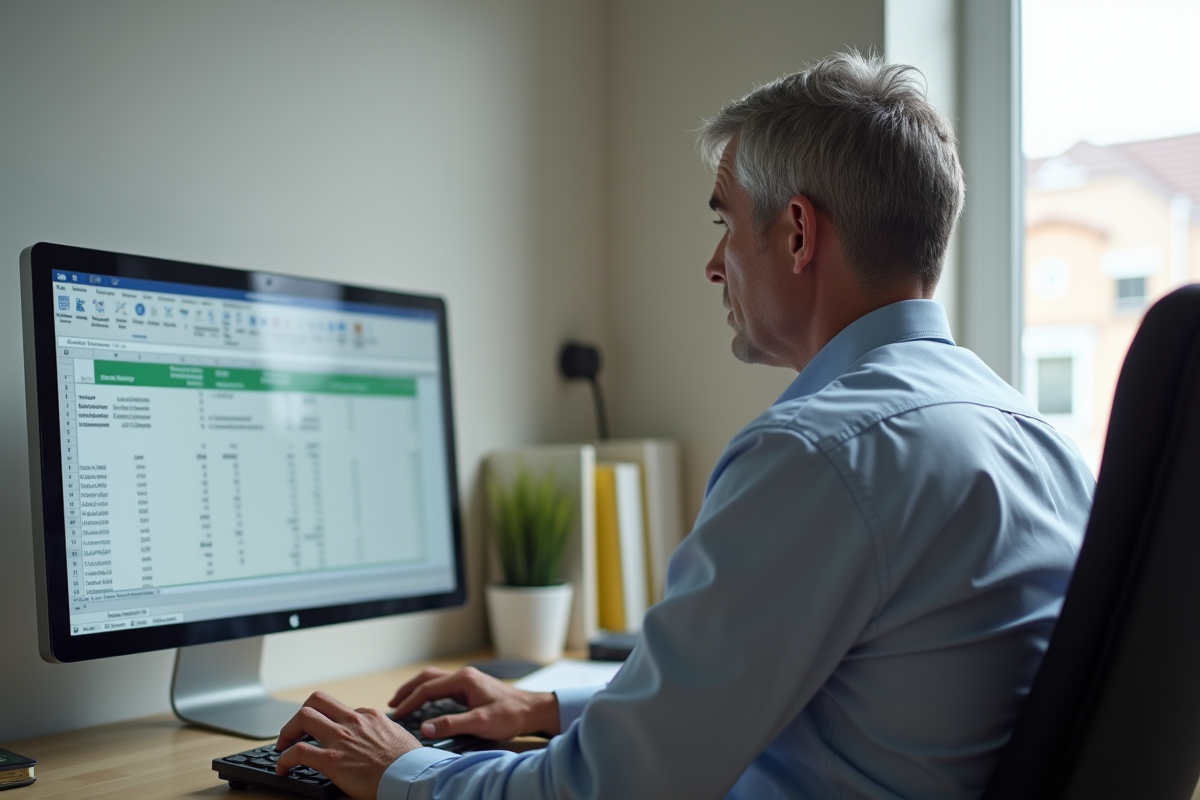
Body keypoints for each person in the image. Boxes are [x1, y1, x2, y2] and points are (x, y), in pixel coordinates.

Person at [272, 51, 1095, 800]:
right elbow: (824, 691)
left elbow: (610, 791)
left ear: (798, 233)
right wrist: (549, 704)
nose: (713, 263)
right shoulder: (1036, 438)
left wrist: (403, 770)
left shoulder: (819, 453)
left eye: (725, 221)